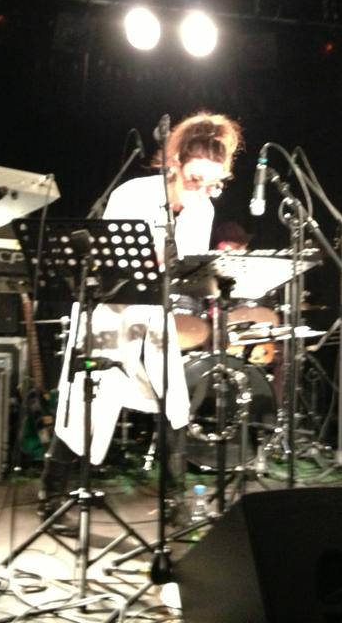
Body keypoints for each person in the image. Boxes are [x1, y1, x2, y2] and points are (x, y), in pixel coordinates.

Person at [39, 112, 243, 528]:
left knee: (175, 403)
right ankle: (52, 494)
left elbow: (183, 269)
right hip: (112, 311)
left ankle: (174, 501)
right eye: (195, 179)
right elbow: (110, 259)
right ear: (175, 163)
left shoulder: (202, 210)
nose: (202, 190)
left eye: (213, 184)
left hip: (154, 312)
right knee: (87, 406)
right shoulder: (133, 193)